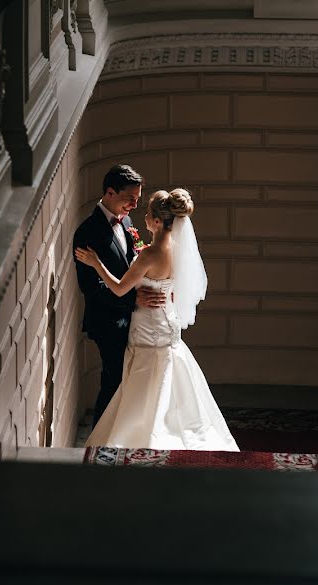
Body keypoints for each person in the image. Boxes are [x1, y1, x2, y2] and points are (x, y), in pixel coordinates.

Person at [74, 188, 239, 451]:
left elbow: (118, 288)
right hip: (167, 323)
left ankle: (145, 438)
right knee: (164, 378)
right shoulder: (176, 248)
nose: (145, 218)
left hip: (149, 325)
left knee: (145, 378)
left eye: (149, 214)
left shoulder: (150, 254)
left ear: (159, 221)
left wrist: (95, 263)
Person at [73, 164, 166, 429]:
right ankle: (99, 443)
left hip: (134, 317)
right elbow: (91, 288)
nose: (135, 206)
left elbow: (130, 264)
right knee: (113, 381)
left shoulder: (125, 221)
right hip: (107, 321)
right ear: (110, 193)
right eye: (130, 199)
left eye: (138, 199)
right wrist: (133, 300)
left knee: (130, 380)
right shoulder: (87, 233)